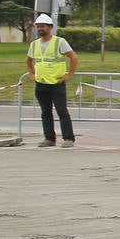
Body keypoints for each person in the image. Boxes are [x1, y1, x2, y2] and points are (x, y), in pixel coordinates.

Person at [25, 13, 79, 148]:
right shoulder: (34, 44)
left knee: (61, 110)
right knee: (45, 112)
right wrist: (31, 74)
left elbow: (73, 57)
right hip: (41, 83)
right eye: (38, 26)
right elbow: (28, 60)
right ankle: (49, 138)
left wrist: (70, 74)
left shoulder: (59, 42)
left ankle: (68, 138)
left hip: (56, 83)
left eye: (42, 26)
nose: (40, 29)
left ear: (50, 27)